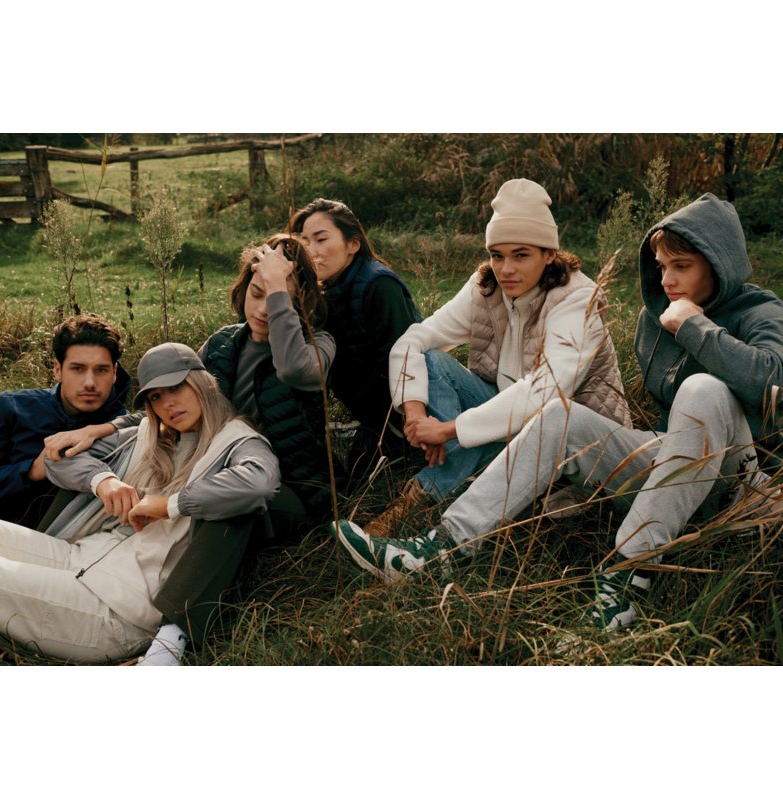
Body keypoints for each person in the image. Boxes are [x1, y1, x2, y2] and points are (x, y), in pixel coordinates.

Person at [335, 192, 783, 632]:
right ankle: (441, 549)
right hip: (668, 466)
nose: (666, 280)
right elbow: (420, 341)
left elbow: (773, 383)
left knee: (703, 389)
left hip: (736, 479)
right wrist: (417, 413)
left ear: (719, 264)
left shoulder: (759, 311)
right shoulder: (656, 317)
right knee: (557, 415)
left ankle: (630, 569)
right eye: (662, 266)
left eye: (681, 266)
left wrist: (694, 326)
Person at [44, 234, 340, 664]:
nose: (263, 309)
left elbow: (296, 371)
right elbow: (180, 406)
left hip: (291, 488)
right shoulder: (223, 344)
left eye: (279, 299)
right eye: (256, 292)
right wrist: (104, 428)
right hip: (217, 465)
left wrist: (279, 288)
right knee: (110, 462)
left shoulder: (317, 344)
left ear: (300, 304)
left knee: (234, 505)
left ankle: (171, 638)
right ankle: (50, 551)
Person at [343, 178, 631, 538]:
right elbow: (413, 341)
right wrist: (416, 416)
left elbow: (544, 393)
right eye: (497, 255)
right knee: (430, 358)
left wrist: (449, 430)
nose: (506, 268)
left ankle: (421, 496)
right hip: (502, 421)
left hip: (569, 444)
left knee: (513, 421)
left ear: (549, 254)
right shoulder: (486, 287)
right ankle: (465, 476)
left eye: (521, 255)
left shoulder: (577, 300)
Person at [0, 342, 279, 663]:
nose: (168, 404)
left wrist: (169, 504)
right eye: (156, 397)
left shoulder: (238, 442)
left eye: (176, 388)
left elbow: (258, 484)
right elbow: (58, 460)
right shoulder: (148, 434)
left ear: (201, 381)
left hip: (117, 609)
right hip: (78, 555)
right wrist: (104, 481)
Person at [289, 198, 422, 472]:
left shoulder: (380, 286)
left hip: (406, 418)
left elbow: (405, 366)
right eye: (304, 241)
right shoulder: (319, 290)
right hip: (371, 418)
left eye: (321, 239)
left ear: (352, 244)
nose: (311, 250)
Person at [0, 313, 129, 528]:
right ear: (58, 370)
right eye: (77, 369)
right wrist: (32, 471)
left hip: (77, 541)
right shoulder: (11, 408)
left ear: (114, 373)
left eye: (101, 370)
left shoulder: (123, 428)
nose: (90, 382)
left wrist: (101, 430)